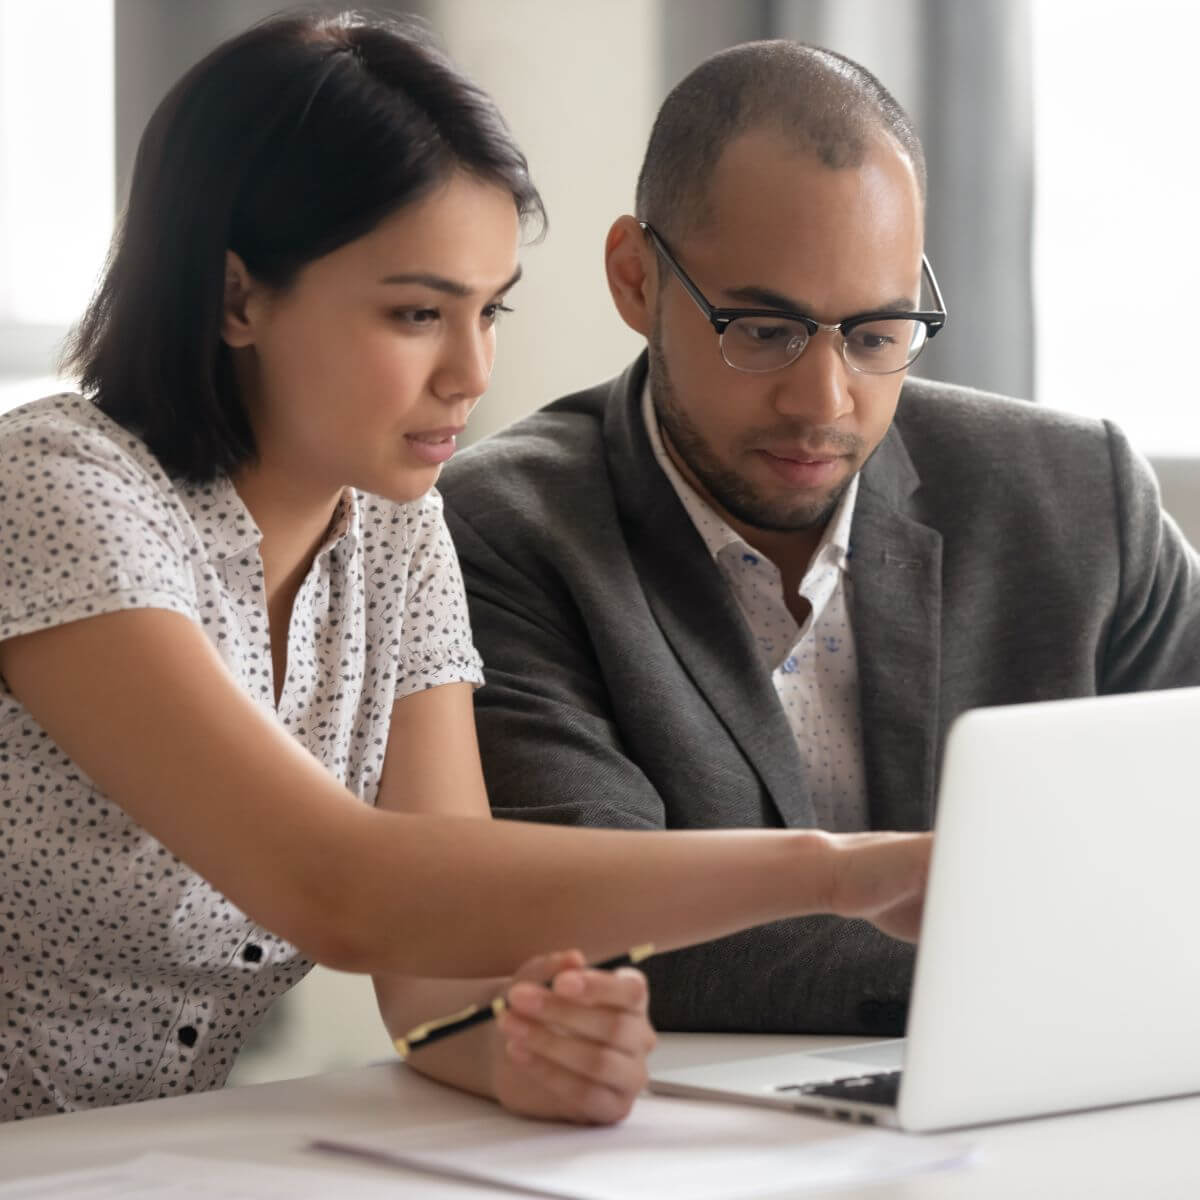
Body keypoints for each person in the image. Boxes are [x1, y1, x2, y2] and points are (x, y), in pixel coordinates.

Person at [0, 15, 933, 1123]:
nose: (472, 370)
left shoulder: (399, 533)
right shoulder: (57, 490)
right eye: (416, 313)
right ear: (237, 296)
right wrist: (833, 872)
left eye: (488, 310)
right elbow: (341, 887)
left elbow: (437, 965)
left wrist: (521, 1049)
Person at [439, 40, 1200, 1037]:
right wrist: (1061, 952)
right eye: (763, 330)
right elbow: (595, 929)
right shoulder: (505, 530)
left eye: (878, 335)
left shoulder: (1078, 498)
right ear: (635, 278)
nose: (824, 400)